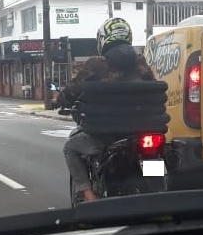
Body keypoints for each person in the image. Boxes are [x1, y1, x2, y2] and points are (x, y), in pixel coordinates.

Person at [54, 17, 155, 202]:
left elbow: (73, 89)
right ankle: (158, 189)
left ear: (103, 39)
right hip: (142, 132)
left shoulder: (97, 64)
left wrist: (59, 100)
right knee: (155, 158)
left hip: (105, 136)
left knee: (70, 148)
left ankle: (89, 195)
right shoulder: (141, 63)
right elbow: (154, 88)